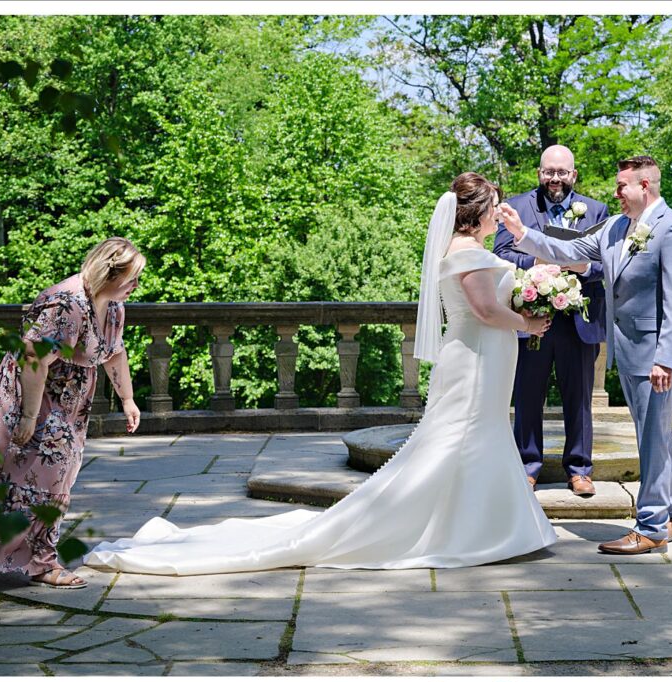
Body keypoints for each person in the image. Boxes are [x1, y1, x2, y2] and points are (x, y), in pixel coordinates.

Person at [83, 173, 557, 574]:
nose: (501, 211)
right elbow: (484, 310)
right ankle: (468, 529)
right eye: (495, 206)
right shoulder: (468, 253)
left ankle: (476, 524)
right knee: (462, 439)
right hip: (475, 360)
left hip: (480, 358)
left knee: (469, 439)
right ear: (476, 212)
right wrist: (528, 322)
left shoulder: (467, 247)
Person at [499, 156, 672, 555]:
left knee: (652, 440)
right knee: (660, 436)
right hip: (627, 352)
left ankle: (652, 527)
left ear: (645, 187)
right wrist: (522, 234)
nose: (616, 194)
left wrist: (665, 357)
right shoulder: (615, 227)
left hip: (656, 358)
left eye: (622, 186)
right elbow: (569, 250)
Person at [0, 237, 145, 588]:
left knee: (59, 477)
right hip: (32, 394)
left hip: (70, 401)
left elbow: (115, 353)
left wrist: (128, 399)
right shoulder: (67, 304)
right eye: (131, 278)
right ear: (108, 271)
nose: (136, 286)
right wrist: (29, 418)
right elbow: (33, 359)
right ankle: (39, 563)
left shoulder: (112, 305)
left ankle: (29, 559)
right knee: (36, 475)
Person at [493, 145, 609, 497]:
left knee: (579, 399)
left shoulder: (596, 210)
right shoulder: (518, 206)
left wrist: (580, 268)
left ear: (574, 175)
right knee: (527, 396)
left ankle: (579, 470)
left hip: (579, 321)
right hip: (531, 318)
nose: (554, 178)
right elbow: (501, 253)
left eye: (561, 172)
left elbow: (607, 264)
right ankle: (527, 467)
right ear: (539, 173)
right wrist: (538, 268)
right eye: (548, 172)